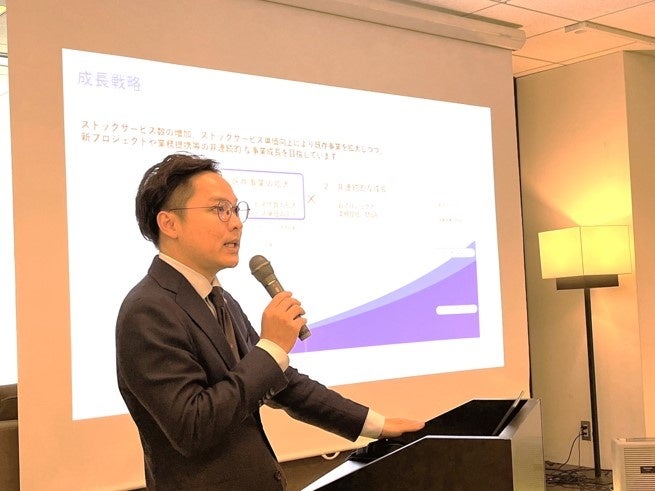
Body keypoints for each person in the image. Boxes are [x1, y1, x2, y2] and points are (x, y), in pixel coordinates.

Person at [116, 153, 424, 490]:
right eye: (219, 209)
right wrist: (272, 347)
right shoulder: (148, 310)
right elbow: (194, 427)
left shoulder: (220, 300)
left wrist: (376, 425)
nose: (236, 223)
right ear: (169, 223)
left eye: (236, 210)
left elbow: (283, 384)